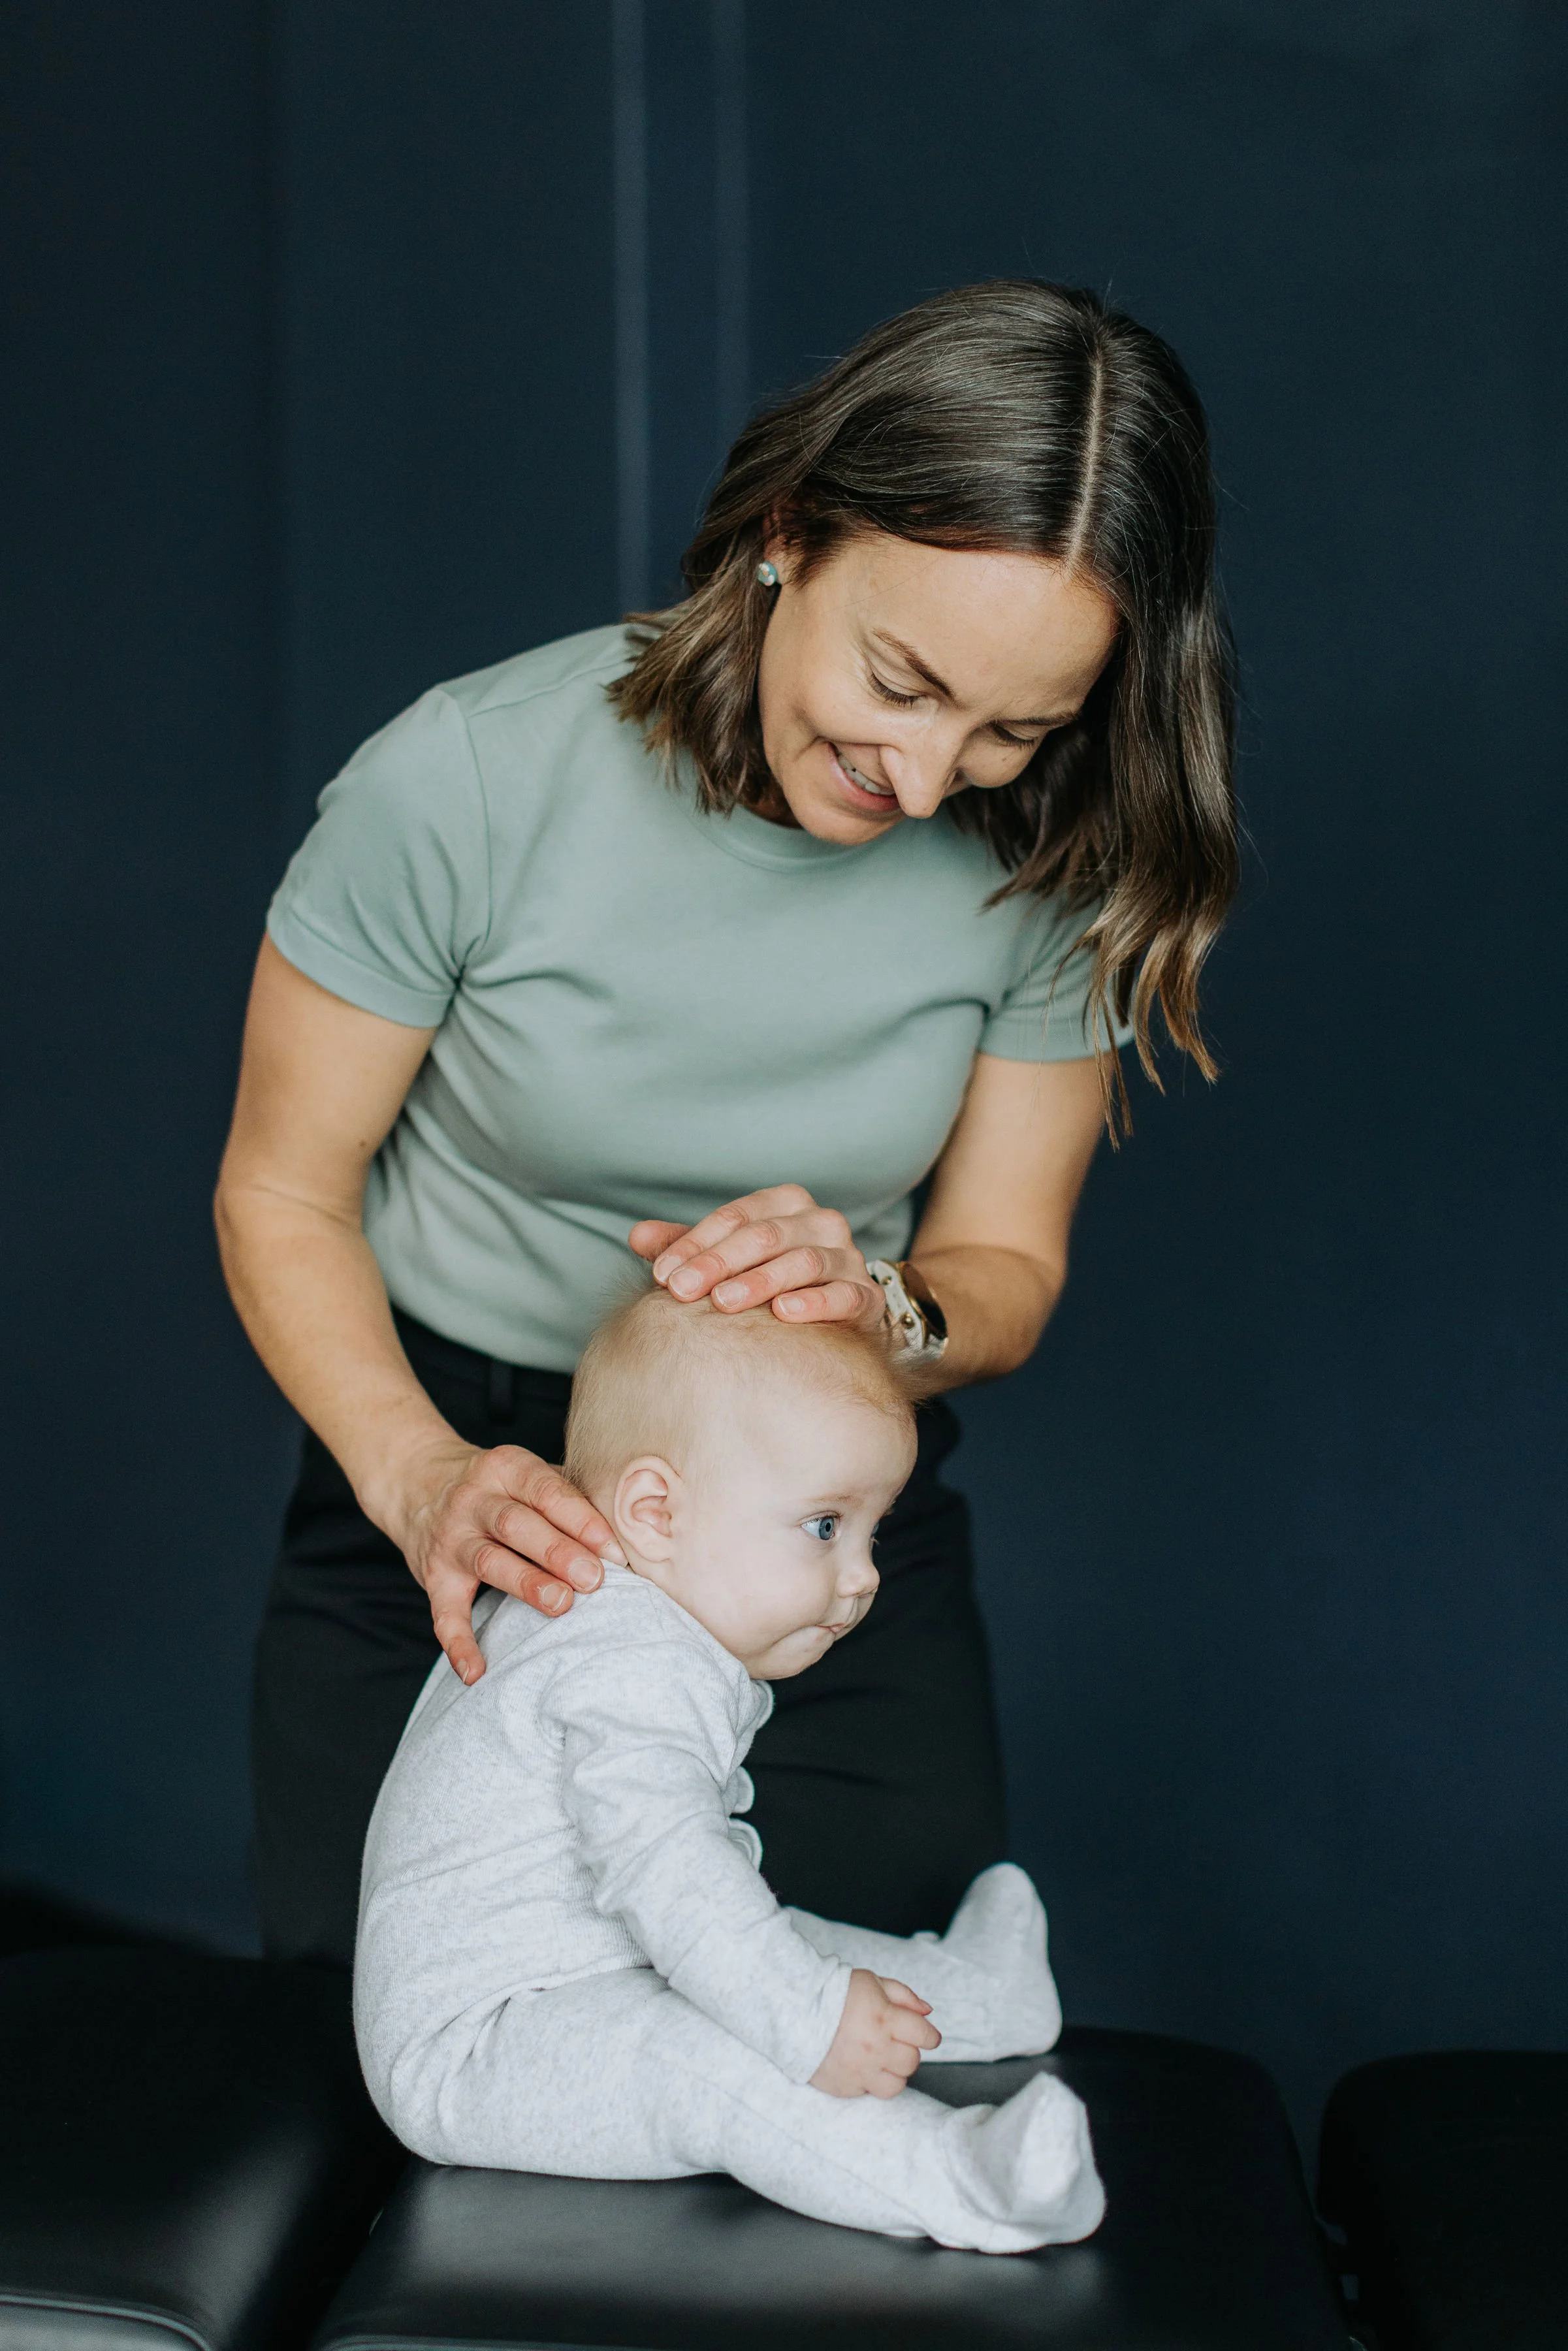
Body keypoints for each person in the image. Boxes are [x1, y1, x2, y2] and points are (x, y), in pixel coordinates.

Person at [216, 277, 1237, 1968]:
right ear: (788, 533)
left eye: (1010, 728)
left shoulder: (1050, 857)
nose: (924, 782)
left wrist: (885, 1310)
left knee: (851, 2026)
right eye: (901, 680)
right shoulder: (465, 779)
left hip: (819, 1511)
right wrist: (419, 1484)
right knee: (417, 2065)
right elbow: (279, 1193)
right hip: (456, 1463)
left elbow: (1000, 1266)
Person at [355, 1287, 1103, 2254]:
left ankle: (985, 1994)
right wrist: (807, 2021)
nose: (867, 1573)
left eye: (874, 1531)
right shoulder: (630, 1663)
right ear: (657, 1510)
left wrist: (806, 1988)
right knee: (705, 2056)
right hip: (481, 2046)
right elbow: (667, 1871)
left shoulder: (609, 1604)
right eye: (828, 1526)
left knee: (775, 1942)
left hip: (586, 1967)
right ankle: (966, 2181)